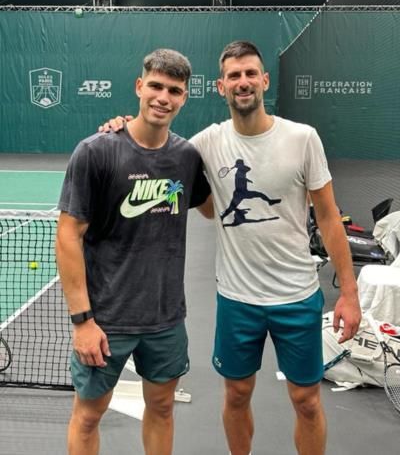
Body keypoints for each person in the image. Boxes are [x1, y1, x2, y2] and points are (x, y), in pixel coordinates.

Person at [100, 40, 361, 455]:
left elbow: (328, 218)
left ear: (264, 80)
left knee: (307, 401)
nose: (243, 82)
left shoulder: (303, 138)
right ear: (221, 86)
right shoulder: (203, 145)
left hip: (298, 296)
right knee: (236, 395)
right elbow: (155, 148)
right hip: (238, 299)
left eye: (250, 73)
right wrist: (119, 130)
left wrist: (349, 293)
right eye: (234, 76)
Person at [55, 48, 212, 455]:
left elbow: (211, 207)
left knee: (161, 410)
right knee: (88, 416)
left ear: (184, 98)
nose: (163, 97)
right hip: (106, 320)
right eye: (156, 86)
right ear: (139, 87)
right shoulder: (96, 151)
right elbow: (68, 235)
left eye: (174, 90)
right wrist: (82, 321)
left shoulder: (187, 158)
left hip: (165, 318)